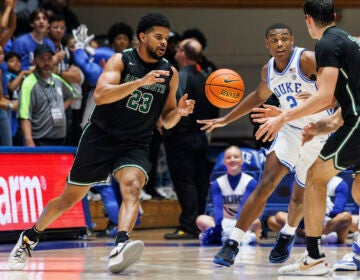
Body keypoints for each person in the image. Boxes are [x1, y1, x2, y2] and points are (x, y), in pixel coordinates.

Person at [8, 12, 195, 274]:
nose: (164, 42)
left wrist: (180, 113)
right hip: (101, 137)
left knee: (132, 185)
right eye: (158, 36)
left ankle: (120, 245)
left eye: (167, 38)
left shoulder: (169, 72)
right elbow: (101, 95)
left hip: (136, 142)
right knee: (68, 200)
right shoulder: (122, 60)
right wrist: (141, 82)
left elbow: (165, 121)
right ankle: (30, 236)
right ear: (142, 37)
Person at [197, 22, 333, 267]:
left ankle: (287, 234)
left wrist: (313, 98)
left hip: (317, 134)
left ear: (292, 40)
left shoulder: (308, 60)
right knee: (266, 182)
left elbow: (335, 92)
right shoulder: (268, 70)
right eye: (274, 39)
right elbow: (257, 97)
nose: (279, 44)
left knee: (299, 196)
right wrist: (226, 119)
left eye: (284, 39)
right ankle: (233, 243)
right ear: (267, 43)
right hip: (290, 130)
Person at [252, 0, 360, 276]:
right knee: (359, 190)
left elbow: (325, 96)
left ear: (308, 19)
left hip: (357, 122)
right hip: (352, 117)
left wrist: (282, 117)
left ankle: (314, 256)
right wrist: (323, 125)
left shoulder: (326, 44)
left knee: (314, 177)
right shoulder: (349, 41)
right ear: (333, 16)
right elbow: (346, 101)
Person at [163, 38, 218, 239]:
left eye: (177, 49)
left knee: (184, 182)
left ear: (183, 54)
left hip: (180, 138)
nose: (175, 52)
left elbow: (175, 107)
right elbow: (215, 109)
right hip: (202, 137)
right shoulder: (207, 76)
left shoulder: (179, 76)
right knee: (200, 182)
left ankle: (187, 225)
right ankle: (199, 223)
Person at [196, 146, 261, 245]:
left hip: (244, 221)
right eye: (228, 157)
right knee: (200, 219)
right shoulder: (217, 183)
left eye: (236, 157)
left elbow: (244, 207)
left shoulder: (251, 182)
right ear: (224, 162)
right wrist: (219, 226)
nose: (232, 160)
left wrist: (236, 227)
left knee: (256, 222)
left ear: (242, 160)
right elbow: (217, 208)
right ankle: (240, 236)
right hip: (224, 222)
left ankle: (225, 236)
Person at [17, 43, 74, 146]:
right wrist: (29, 140)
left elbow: (71, 94)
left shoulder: (57, 79)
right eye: (42, 59)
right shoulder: (28, 83)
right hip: (39, 140)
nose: (46, 62)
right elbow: (24, 115)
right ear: (35, 61)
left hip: (60, 139)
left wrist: (61, 108)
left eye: (49, 58)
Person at [267, 175, 352, 244]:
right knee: (276, 217)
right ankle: (306, 236)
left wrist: (319, 219)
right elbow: (296, 205)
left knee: (346, 217)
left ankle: (313, 236)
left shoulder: (339, 183)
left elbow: (338, 209)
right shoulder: (300, 181)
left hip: (327, 222)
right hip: (303, 222)